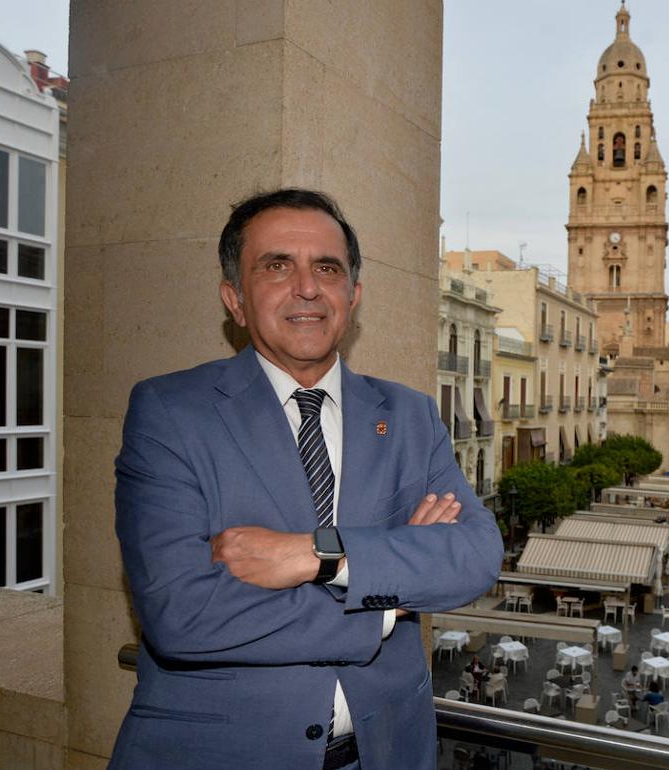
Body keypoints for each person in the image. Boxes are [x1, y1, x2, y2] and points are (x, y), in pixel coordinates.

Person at [109, 189, 504, 770]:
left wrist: (318, 556)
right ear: (235, 299)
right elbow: (181, 614)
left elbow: (476, 554)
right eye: (276, 266)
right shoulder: (170, 412)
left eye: (327, 268)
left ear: (353, 295)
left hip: (387, 753)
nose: (308, 287)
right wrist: (387, 601)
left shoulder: (410, 416)